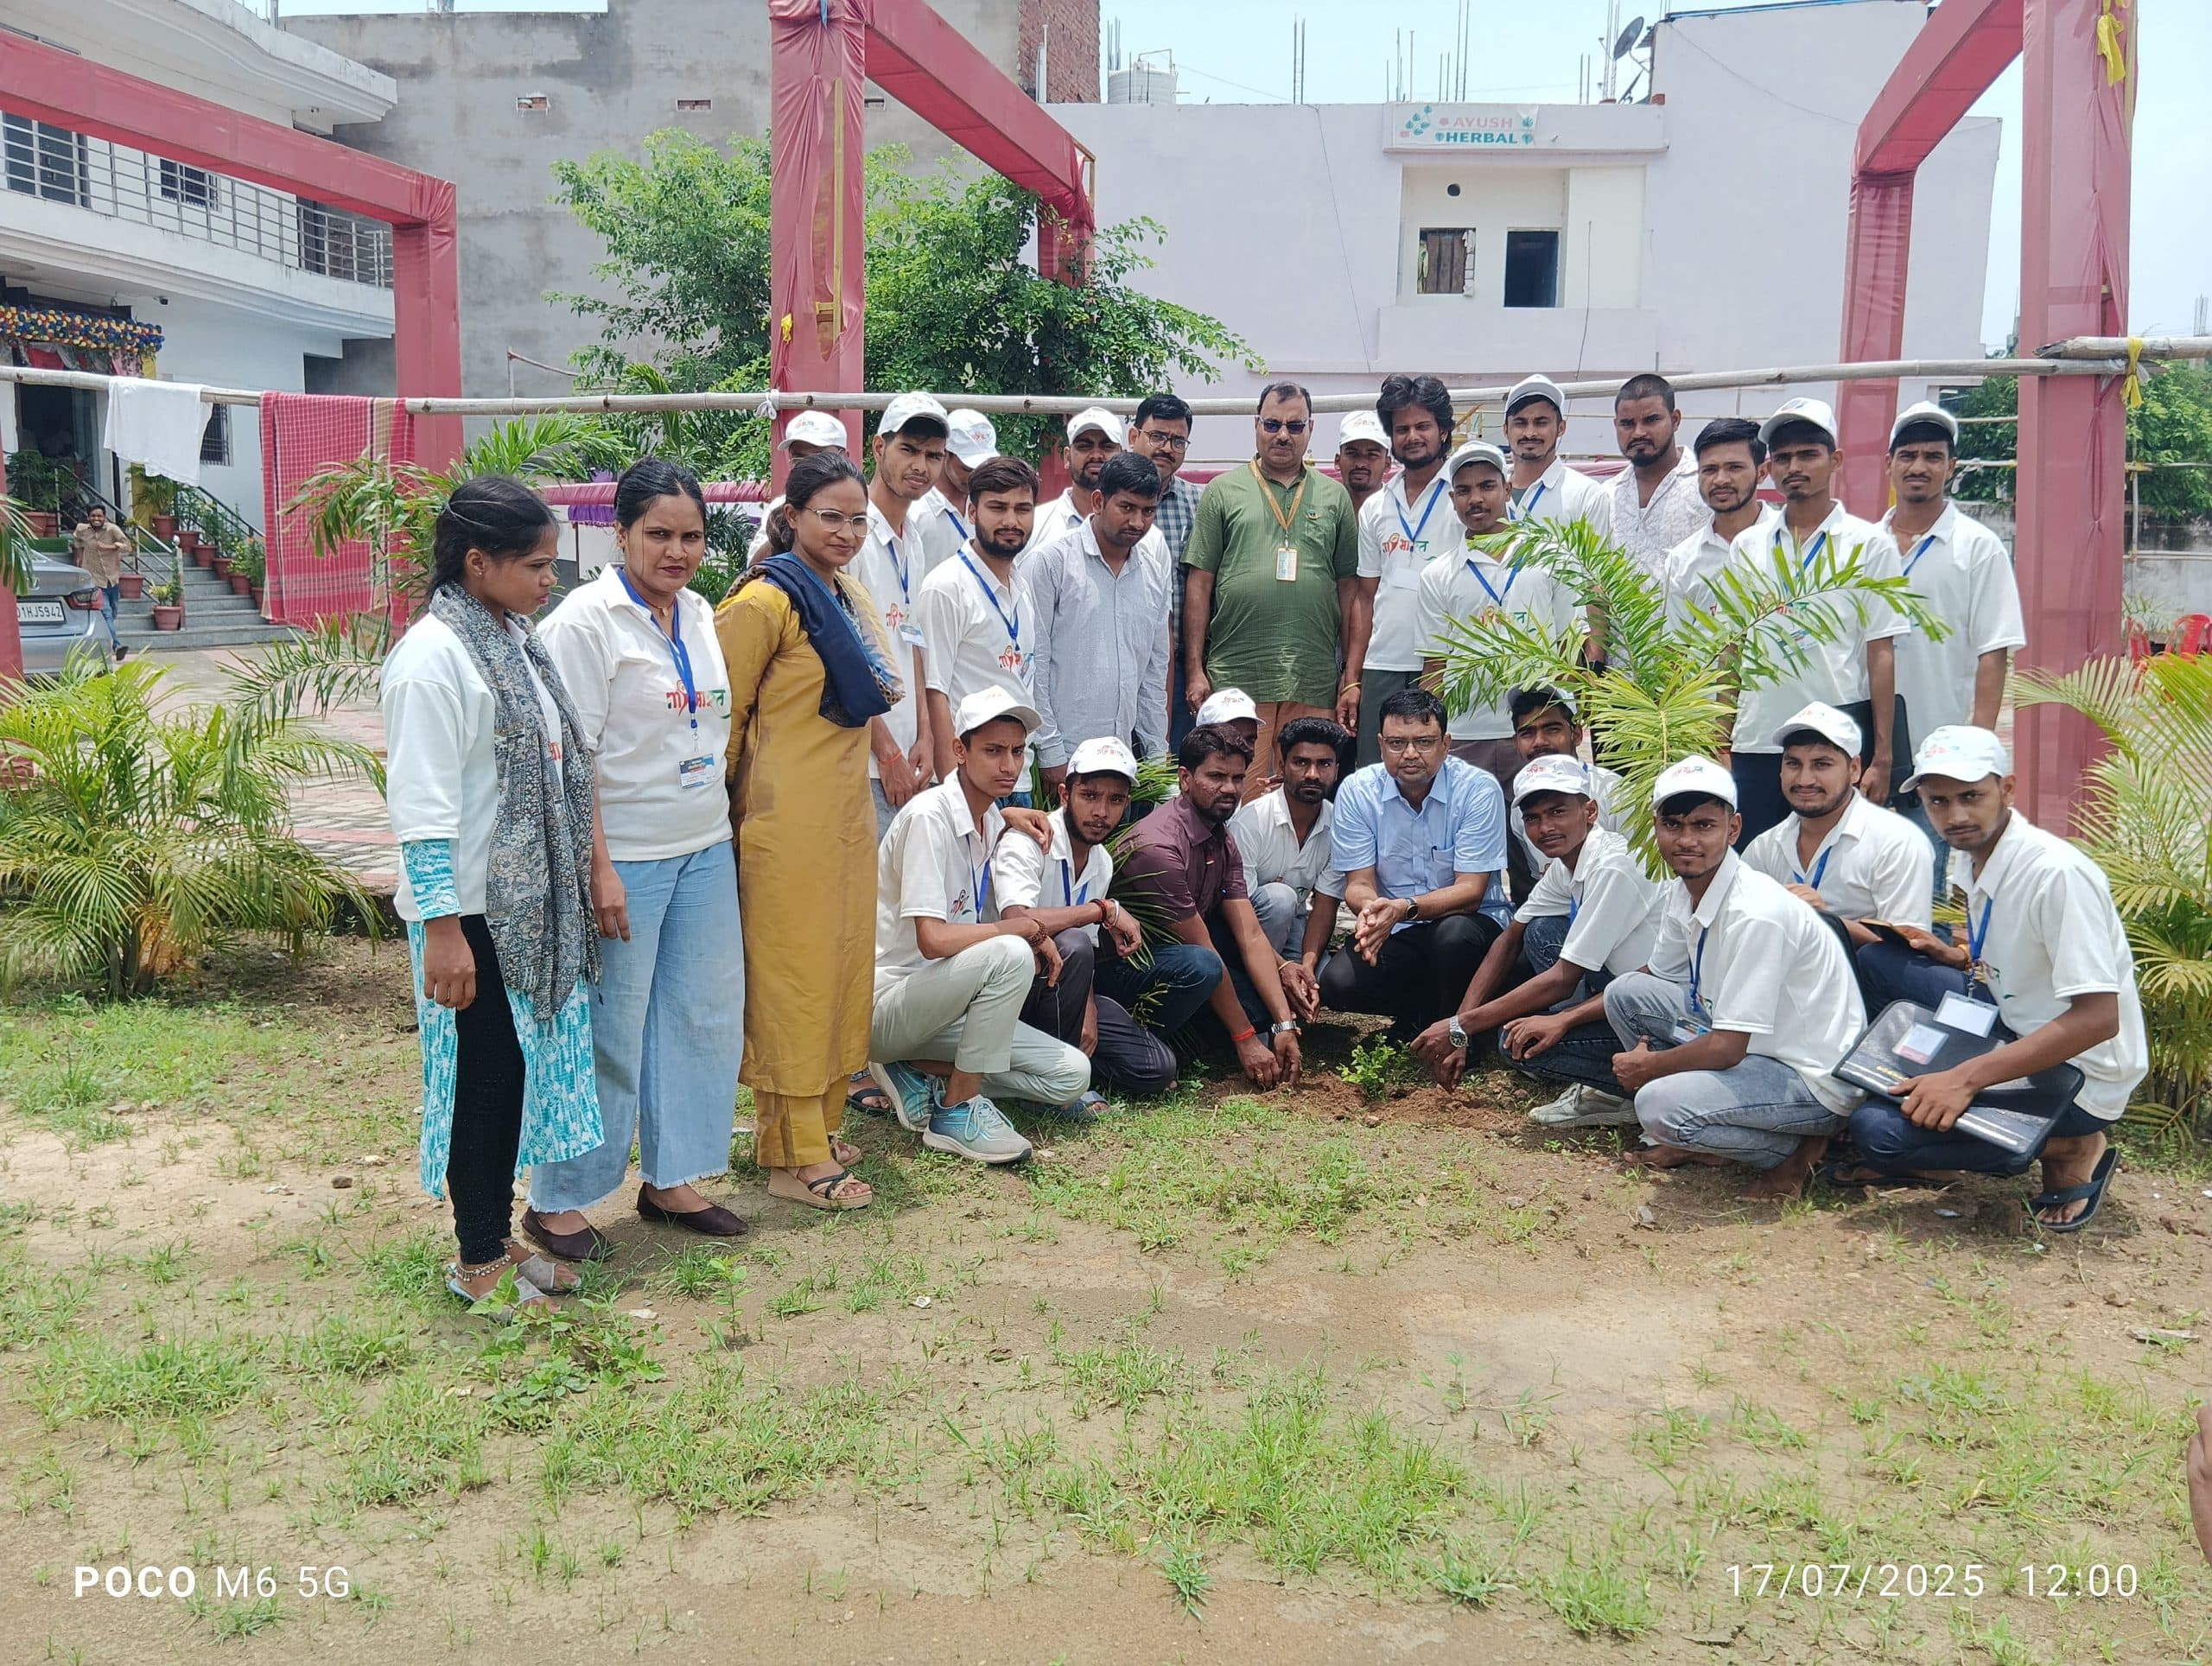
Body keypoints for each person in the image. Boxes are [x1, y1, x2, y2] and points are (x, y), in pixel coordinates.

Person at [382, 476, 601, 1312]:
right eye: (537, 566)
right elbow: (423, 810)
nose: (551, 582)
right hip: (468, 912)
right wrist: (443, 928)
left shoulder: (510, 640)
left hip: (524, 905)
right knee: (483, 1077)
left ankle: (495, 1235)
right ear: (478, 563)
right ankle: (477, 1259)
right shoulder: (433, 661)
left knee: (512, 1075)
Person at [524, 460, 747, 1259]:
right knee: (608, 1029)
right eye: (658, 534)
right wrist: (598, 869)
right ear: (620, 535)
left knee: (701, 1020)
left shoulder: (698, 613)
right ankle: (559, 1200)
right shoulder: (587, 621)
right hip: (626, 859)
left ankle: (673, 1178)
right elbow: (568, 759)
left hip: (703, 848)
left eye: (691, 536)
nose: (676, 551)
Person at [1831, 727, 2146, 1231]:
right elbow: (2020, 960)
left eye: (1971, 796)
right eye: (1938, 801)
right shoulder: (1973, 854)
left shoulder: (2055, 874)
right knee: (1879, 962)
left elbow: (2098, 1019)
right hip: (2013, 1024)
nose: (1954, 816)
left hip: (2079, 1071)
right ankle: (1914, 1098)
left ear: (2009, 790)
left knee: (1879, 1133)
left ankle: (2072, 1146)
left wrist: (1963, 1079)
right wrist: (1959, 959)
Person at [717, 451, 902, 1213]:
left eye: (858, 518)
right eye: (831, 515)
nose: (847, 532)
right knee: (793, 981)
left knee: (839, 970)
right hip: (781, 824)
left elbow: (878, 693)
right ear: (791, 515)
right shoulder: (762, 604)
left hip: (844, 820)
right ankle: (792, 1157)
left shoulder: (849, 595)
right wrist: (719, 821)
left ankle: (816, 1128)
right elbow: (722, 723)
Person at [1600, 758, 1866, 1199]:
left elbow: (1727, 1047)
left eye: (1704, 825)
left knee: (1657, 1105)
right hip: (1750, 1043)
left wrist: (1651, 1068)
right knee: (1626, 994)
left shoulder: (1755, 913)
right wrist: (1570, 1018)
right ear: (1657, 829)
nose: (1687, 840)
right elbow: (1658, 977)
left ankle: (1792, 1150)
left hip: (1808, 1076)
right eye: (1674, 825)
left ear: (1734, 829)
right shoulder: (1684, 890)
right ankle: (1705, 1129)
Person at [867, 689, 1090, 1165]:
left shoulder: (987, 819)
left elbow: (983, 818)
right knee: (1010, 951)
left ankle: (916, 1069)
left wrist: (1006, 817)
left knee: (1072, 1075)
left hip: (941, 1008)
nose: (1010, 765)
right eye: (993, 751)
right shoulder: (929, 818)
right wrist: (1025, 930)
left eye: (1017, 751)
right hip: (886, 1004)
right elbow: (932, 940)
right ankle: (957, 1110)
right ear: (960, 751)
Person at [1409, 754, 1661, 1128]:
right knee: (1541, 930)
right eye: (1533, 818)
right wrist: (1459, 1024)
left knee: (1519, 1046)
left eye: (1558, 812)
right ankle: (1603, 1066)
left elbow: (1563, 978)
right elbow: (1510, 939)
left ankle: (1633, 1087)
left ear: (1589, 811)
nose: (1545, 827)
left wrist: (1463, 1026)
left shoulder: (1612, 866)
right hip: (1624, 987)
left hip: (1659, 1009)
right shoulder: (1568, 864)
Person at [1725, 397, 1908, 842]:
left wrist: (1881, 756)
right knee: (1755, 870)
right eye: (1783, 457)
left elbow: (1880, 652)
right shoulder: (1747, 547)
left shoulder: (1869, 545)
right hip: (1758, 740)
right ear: (1770, 467)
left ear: (1835, 460)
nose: (1794, 467)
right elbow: (1730, 650)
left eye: (1808, 454)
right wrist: (1720, 738)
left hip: (1835, 740)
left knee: (1835, 869)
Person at [1103, 723, 1309, 1090]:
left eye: (1237, 778)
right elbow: (1202, 950)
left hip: (1178, 955)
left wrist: (1284, 1022)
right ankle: (1146, 1039)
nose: (1229, 789)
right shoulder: (1159, 848)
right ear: (1185, 778)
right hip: (1126, 968)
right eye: (1216, 776)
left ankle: (1212, 1030)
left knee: (1265, 1006)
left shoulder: (1218, 833)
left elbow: (1250, 934)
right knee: (1204, 966)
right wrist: (1246, 1040)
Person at [1183, 382, 1362, 790]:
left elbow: (1349, 591)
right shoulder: (1223, 490)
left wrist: (1349, 676)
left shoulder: (1335, 497)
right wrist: (1195, 670)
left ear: (1311, 429)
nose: (1283, 435)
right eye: (1273, 424)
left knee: (1305, 793)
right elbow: (1200, 583)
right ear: (1256, 425)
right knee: (1234, 792)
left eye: (1295, 426)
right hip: (1238, 673)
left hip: (1312, 676)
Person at [991, 735, 1176, 1106]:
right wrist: (1101, 909)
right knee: (1071, 943)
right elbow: (1018, 917)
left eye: (1115, 800)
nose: (1101, 812)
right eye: (1089, 796)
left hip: (1062, 991)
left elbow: (1088, 950)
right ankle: (1052, 1086)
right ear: (1064, 794)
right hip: (1011, 988)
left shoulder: (1101, 861)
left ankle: (1031, 1073)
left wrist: (1087, 1008)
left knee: (1158, 1067)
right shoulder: (1030, 839)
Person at [1319, 689, 1512, 1041]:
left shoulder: (1478, 789)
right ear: (1380, 744)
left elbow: (1471, 892)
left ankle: (1464, 1031)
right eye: (1396, 743)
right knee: (1337, 983)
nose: (1410, 754)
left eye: (1424, 742)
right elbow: (1358, 883)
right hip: (1398, 928)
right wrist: (1371, 909)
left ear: (1446, 743)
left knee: (1453, 938)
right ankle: (1422, 1014)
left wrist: (1402, 908)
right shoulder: (1357, 791)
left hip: (1470, 923)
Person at [1881, 400, 2025, 867]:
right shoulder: (1863, 544)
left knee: (1933, 884)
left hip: (1939, 750)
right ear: (1889, 465)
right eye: (1907, 456)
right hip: (1868, 749)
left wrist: (1975, 751)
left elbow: (1993, 650)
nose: (1918, 467)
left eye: (1932, 456)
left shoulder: (1977, 548)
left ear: (1951, 467)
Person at [1416, 441, 1580, 796]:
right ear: (1453, 500)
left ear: (1506, 489)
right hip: (1465, 733)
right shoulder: (1437, 575)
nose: (1475, 499)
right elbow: (1434, 667)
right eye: (1463, 490)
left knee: (1543, 838)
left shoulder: (1549, 558)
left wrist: (1566, 722)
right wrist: (1435, 738)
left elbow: (1571, 645)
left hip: (1535, 730)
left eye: (1487, 486)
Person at [1020, 448, 1174, 798]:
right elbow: (1034, 663)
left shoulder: (1152, 571)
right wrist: (1051, 753)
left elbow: (1153, 672)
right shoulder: (1051, 564)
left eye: (1148, 511)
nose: (1138, 522)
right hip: (1063, 758)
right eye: (1127, 508)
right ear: (1098, 501)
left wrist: (1155, 757)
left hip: (1125, 760)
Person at [1740, 703, 1934, 957]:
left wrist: (1825, 920)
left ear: (1854, 769)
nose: (1804, 779)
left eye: (1821, 764)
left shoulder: (1896, 842)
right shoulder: (1764, 847)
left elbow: (1907, 954)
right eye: (1793, 764)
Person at [852, 391, 950, 837]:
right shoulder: (851, 533)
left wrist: (926, 736)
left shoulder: (914, 538)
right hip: (868, 760)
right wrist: (887, 750)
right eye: (908, 449)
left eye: (933, 456)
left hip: (911, 756)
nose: (921, 466)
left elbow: (912, 641)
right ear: (878, 448)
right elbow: (845, 656)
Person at [915, 455, 1039, 791]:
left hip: (1017, 778)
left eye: (1022, 509)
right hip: (968, 780)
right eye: (998, 508)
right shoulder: (946, 586)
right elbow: (934, 691)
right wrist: (949, 790)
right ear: (972, 512)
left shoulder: (1022, 587)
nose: (1011, 520)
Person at [1351, 373, 1455, 768]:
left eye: (1422, 426)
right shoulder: (1377, 505)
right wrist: (1354, 679)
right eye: (1402, 429)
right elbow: (1365, 596)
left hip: (1449, 662)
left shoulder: (1464, 494)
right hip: (1384, 663)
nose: (1412, 436)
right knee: (1376, 774)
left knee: (1438, 774)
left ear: (1443, 430)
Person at [1229, 715, 1346, 957]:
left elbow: (1325, 904)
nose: (1312, 774)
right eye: (1301, 762)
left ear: (1337, 771)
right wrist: (1283, 970)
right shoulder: (1252, 821)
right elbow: (1240, 913)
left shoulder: (1340, 826)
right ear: (1282, 766)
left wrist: (1307, 967)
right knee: (1280, 899)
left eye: (1324, 764)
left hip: (1297, 926)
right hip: (1243, 933)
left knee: (1326, 983)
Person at [1505, 688, 1624, 895]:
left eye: (1552, 729)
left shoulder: (1615, 791)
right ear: (1516, 743)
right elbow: (1536, 885)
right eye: (1527, 733)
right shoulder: (1519, 805)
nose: (1540, 741)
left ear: (1576, 734)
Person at [1660, 418, 1777, 624]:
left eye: (1734, 467)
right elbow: (1674, 649)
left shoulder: (1791, 541)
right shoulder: (1683, 561)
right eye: (1710, 469)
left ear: (1762, 472)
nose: (1720, 479)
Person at [1607, 373, 1707, 575]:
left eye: (1651, 420)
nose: (1638, 433)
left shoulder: (1706, 487)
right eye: (1627, 423)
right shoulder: (1605, 497)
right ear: (1616, 425)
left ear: (1675, 420)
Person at [1500, 374, 1611, 536]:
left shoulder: (1586, 496)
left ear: (1561, 428)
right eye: (1520, 423)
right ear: (1505, 430)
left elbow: (1596, 560)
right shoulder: (1488, 492)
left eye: (1541, 423)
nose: (1530, 433)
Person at [744, 410, 849, 563]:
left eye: (818, 457)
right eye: (798, 458)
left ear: (844, 457)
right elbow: (755, 569)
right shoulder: (781, 508)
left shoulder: (864, 507)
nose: (808, 467)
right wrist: (786, 524)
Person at [912, 407, 998, 575]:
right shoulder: (916, 510)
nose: (975, 476)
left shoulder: (988, 505)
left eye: (982, 468)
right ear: (944, 454)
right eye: (967, 468)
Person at [1027, 407, 1125, 551]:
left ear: (1122, 456)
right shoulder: (1035, 524)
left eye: (1107, 446)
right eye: (1084, 446)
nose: (1096, 455)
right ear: (1067, 457)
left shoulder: (1142, 533)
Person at [69, 505, 131, 661]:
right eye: (93, 516)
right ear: (88, 517)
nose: (96, 519)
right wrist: (78, 561)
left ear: (104, 517)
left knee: (113, 611)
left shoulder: (113, 530)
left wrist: (112, 547)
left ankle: (105, 637)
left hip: (112, 578)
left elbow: (128, 547)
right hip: (94, 579)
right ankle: (116, 645)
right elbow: (76, 541)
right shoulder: (82, 530)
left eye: (99, 516)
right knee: (107, 613)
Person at [1333, 409, 1392, 515]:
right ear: (1337, 461)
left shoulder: (1398, 509)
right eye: (1352, 453)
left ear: (1387, 464)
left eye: (1372, 455)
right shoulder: (1323, 508)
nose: (1360, 464)